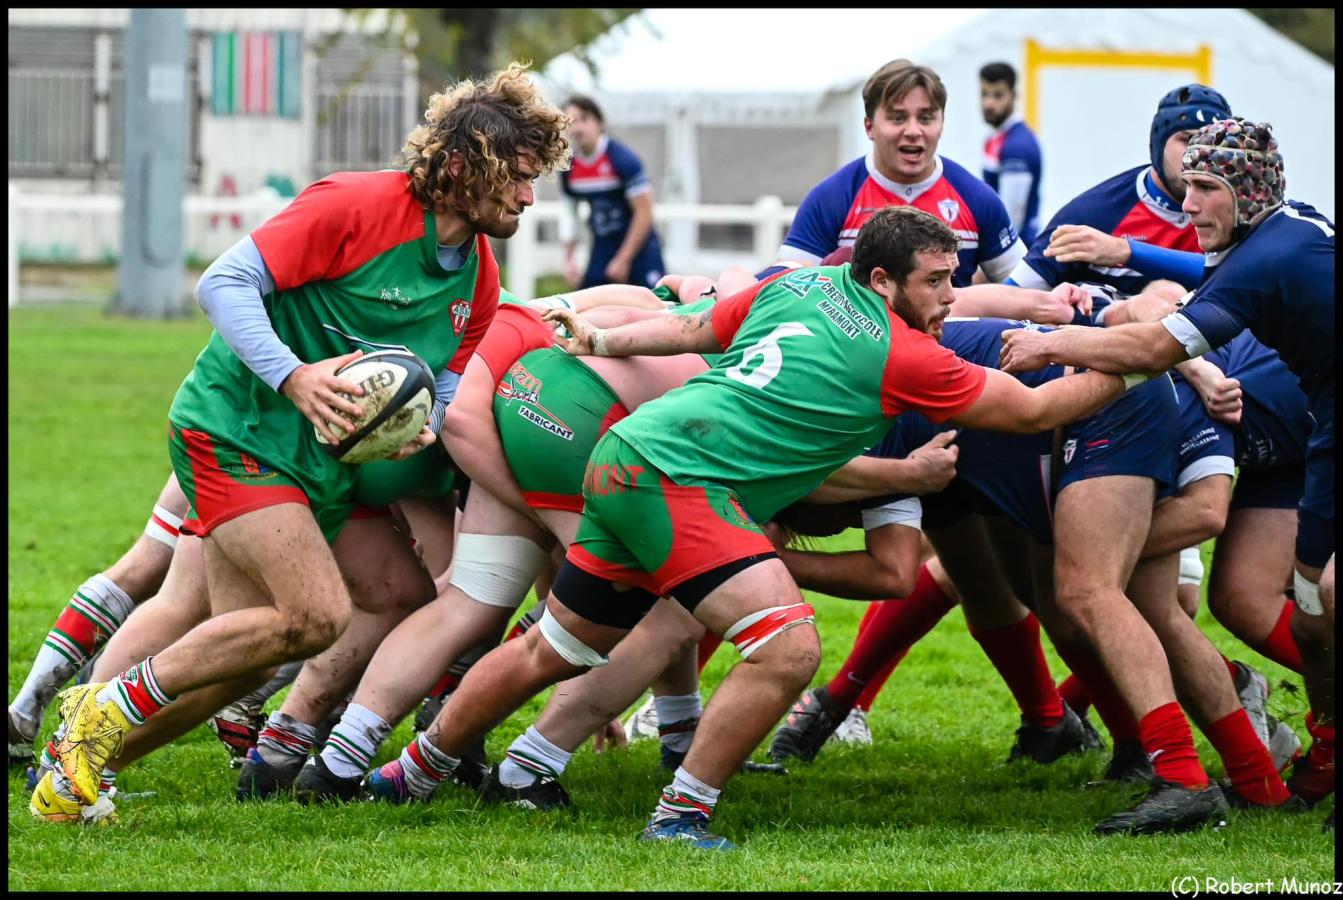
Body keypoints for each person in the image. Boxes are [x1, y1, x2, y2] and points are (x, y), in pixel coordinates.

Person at [372, 206, 1149, 851]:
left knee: (557, 647)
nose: (951, 297)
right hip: (681, 478)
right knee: (788, 648)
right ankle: (680, 816)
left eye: (953, 279)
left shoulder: (803, 285)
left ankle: (411, 771)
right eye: (936, 283)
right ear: (881, 281)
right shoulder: (906, 357)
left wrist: (605, 339)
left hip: (627, 455)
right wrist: (1136, 361)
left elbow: (692, 328)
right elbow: (1037, 409)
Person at [29, 62, 571, 821]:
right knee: (312, 617)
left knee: (340, 615)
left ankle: (78, 767)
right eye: (515, 176)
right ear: (458, 165)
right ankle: (100, 709)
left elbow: (443, 392)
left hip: (324, 469)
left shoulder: (477, 277)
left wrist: (418, 429)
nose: (527, 196)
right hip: (239, 429)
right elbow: (222, 282)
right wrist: (295, 378)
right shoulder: (356, 205)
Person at [1000, 116, 1334, 829]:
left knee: (1323, 596)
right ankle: (1322, 746)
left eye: (1204, 188)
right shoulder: (1274, 233)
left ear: (1246, 195)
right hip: (1317, 429)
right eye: (1184, 187)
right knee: (1290, 608)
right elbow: (1171, 311)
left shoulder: (1262, 263)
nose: (1186, 207)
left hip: (1297, 428)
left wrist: (1051, 342)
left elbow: (1154, 346)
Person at [775, 60, 1026, 286]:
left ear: (941, 124)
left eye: (926, 118)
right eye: (898, 118)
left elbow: (1027, 288)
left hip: (946, 337)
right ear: (869, 126)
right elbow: (785, 287)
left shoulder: (977, 198)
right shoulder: (830, 198)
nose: (913, 130)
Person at [1006, 84, 1232, 324]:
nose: (1200, 155)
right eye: (1187, 140)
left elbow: (1239, 276)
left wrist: (1125, 251)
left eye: (1213, 144)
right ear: (1158, 144)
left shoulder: (1240, 212)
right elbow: (1011, 299)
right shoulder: (1092, 215)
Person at [9, 474, 186, 767]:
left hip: (205, 431)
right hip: (252, 443)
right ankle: (68, 764)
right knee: (196, 599)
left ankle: (25, 716)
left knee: (146, 564)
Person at [560, 95, 666, 290]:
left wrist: (624, 258)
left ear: (599, 122)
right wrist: (569, 258)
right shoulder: (569, 168)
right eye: (570, 122)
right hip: (602, 247)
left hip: (640, 250)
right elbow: (570, 213)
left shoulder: (623, 160)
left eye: (583, 119)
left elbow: (644, 212)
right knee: (588, 307)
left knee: (655, 305)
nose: (578, 128)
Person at [979, 62, 1042, 246]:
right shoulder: (995, 137)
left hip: (1015, 251)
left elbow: (1011, 216)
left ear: (1014, 96)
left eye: (998, 95)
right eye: (984, 94)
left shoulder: (1018, 146)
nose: (989, 103)